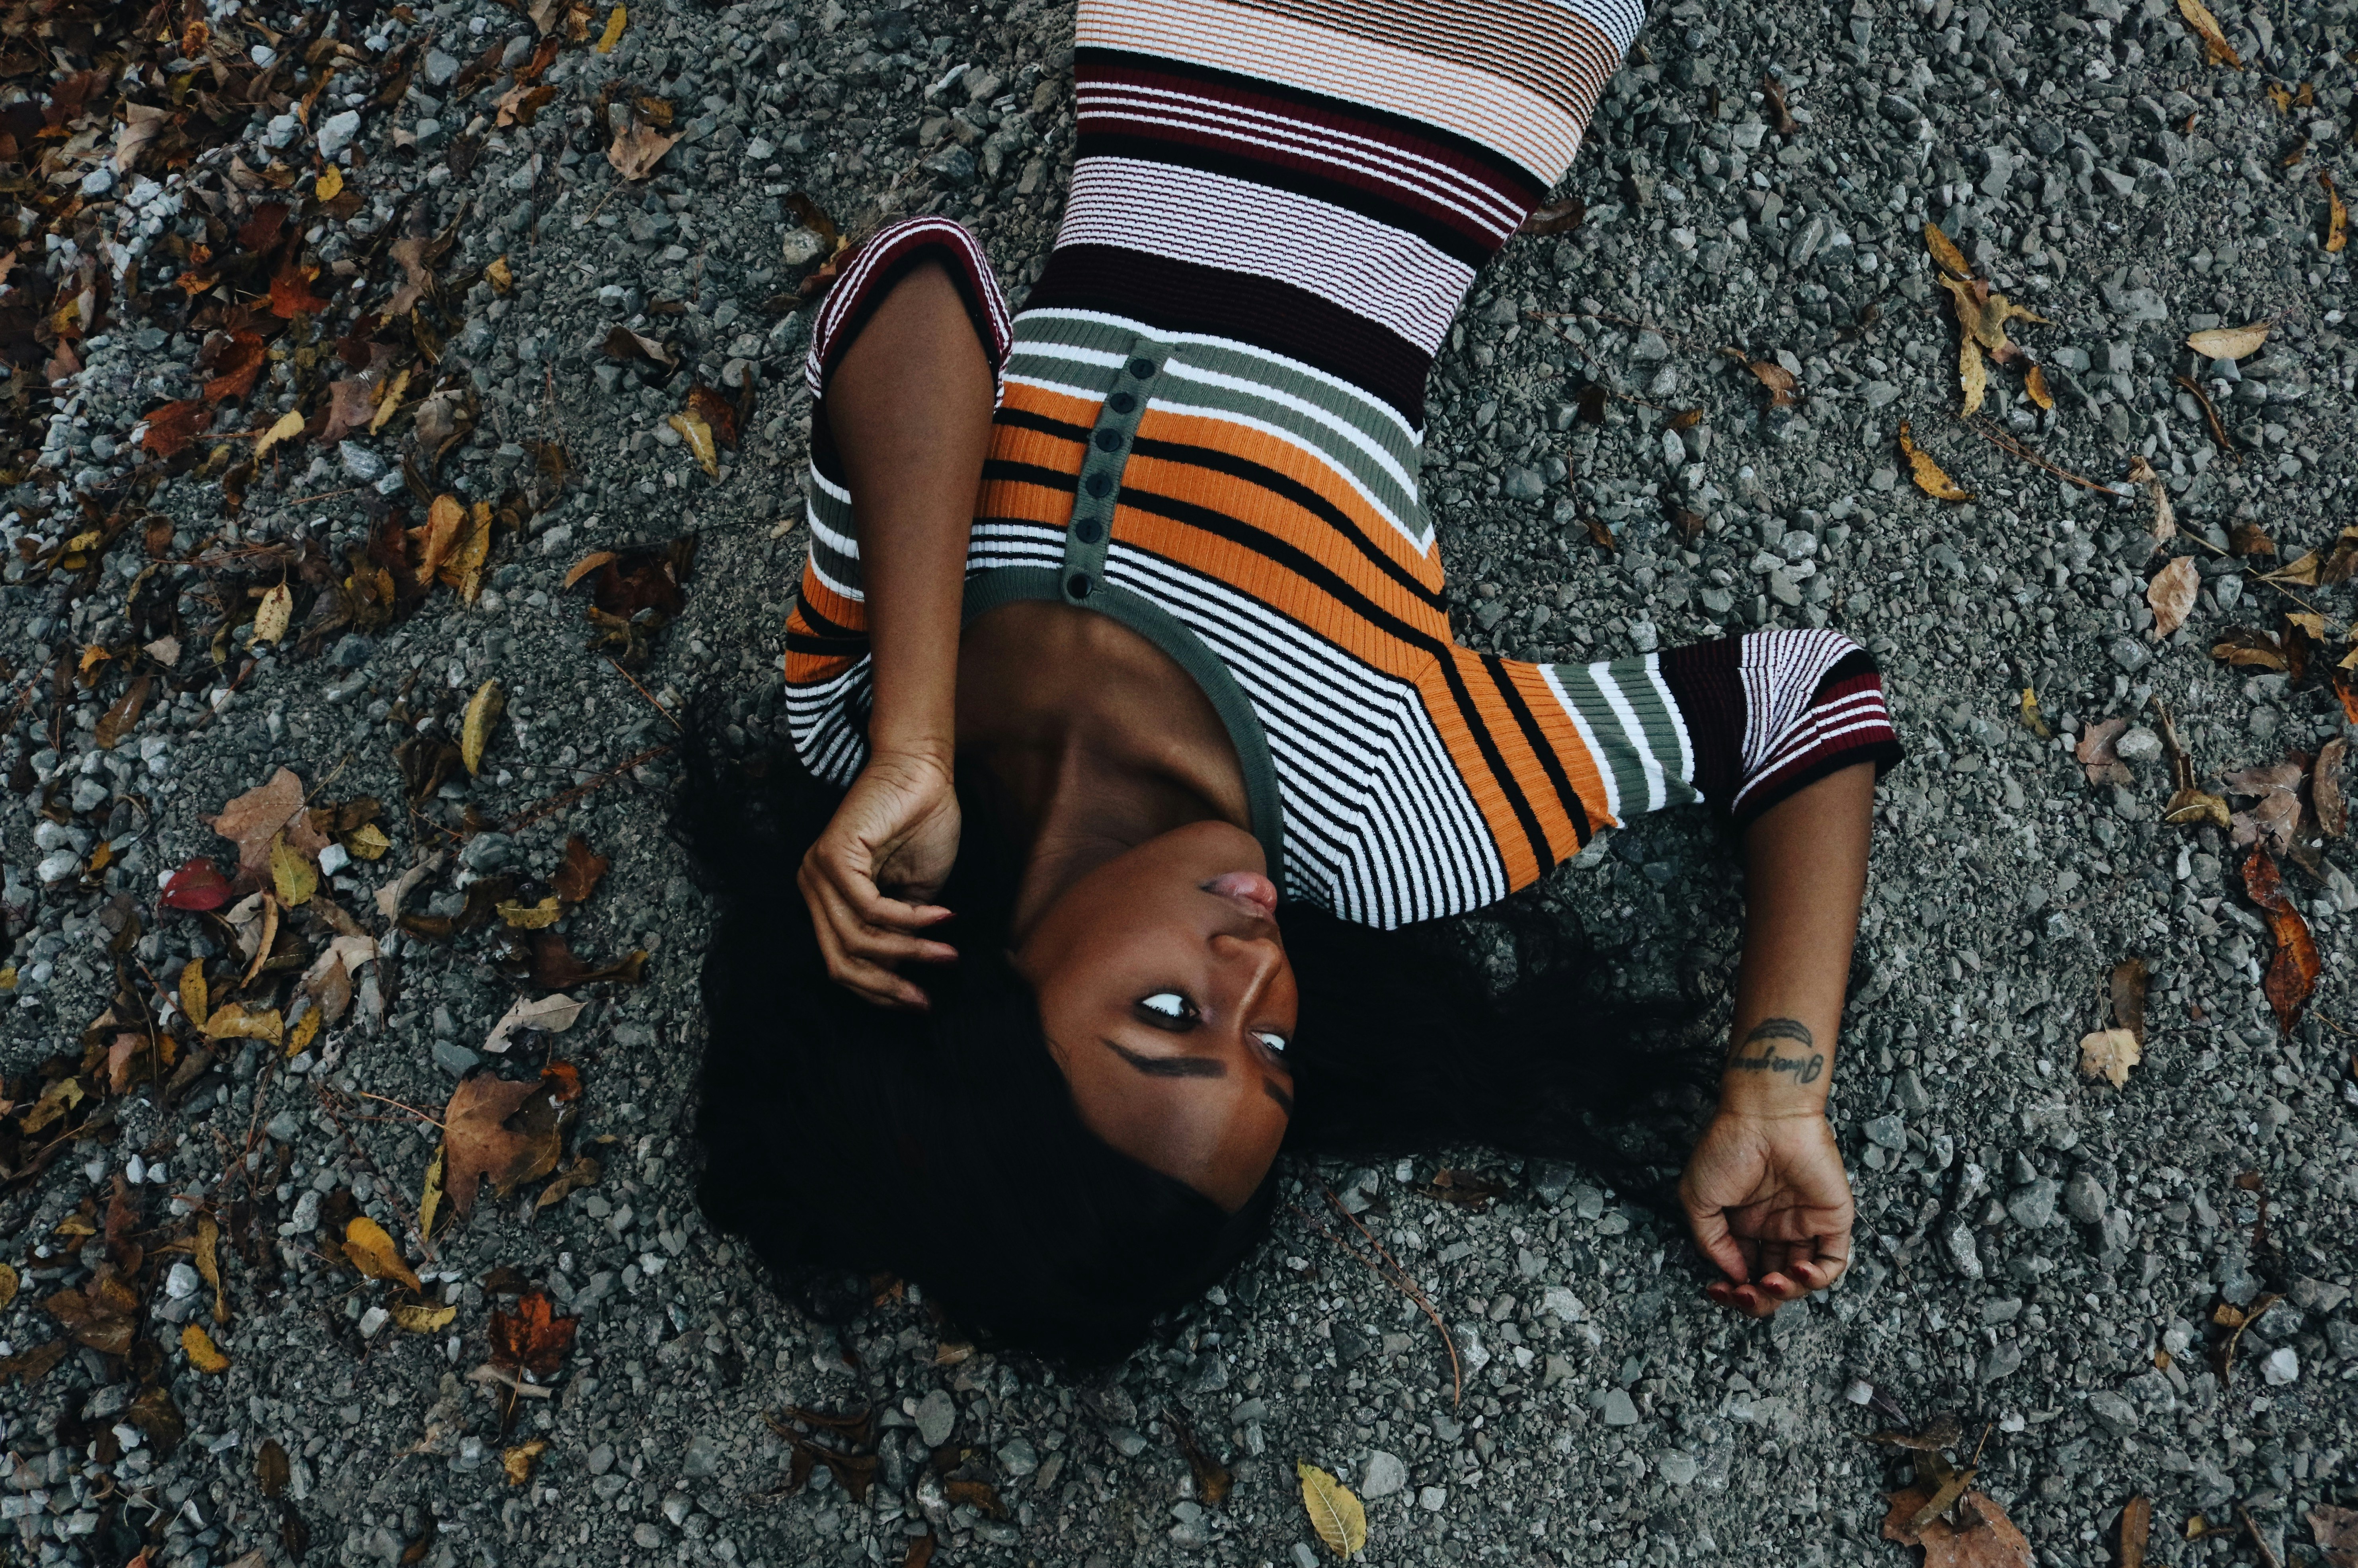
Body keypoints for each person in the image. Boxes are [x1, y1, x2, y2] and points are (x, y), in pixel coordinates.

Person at [684, 0, 1903, 1362]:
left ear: (1001, 1001)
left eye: (1170, 1017)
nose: (1255, 976)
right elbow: (1806, 700)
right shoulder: (1388, 815)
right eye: (1270, 1053)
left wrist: (917, 738)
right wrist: (1778, 1088)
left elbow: (917, 283)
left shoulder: (871, 730)